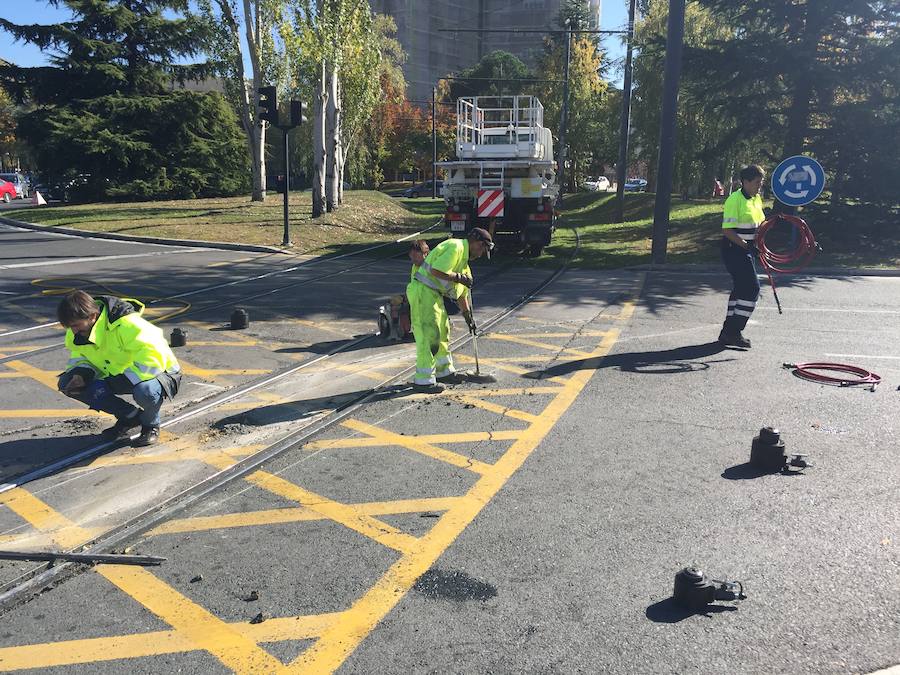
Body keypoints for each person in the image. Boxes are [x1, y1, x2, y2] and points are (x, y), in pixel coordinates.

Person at [56, 291, 182, 446]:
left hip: (160, 372)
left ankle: (151, 425)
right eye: (69, 326)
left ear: (92, 316)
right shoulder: (76, 332)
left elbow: (152, 360)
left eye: (75, 325)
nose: (73, 331)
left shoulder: (128, 324)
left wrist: (112, 384)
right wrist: (80, 375)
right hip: (119, 373)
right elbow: (80, 357)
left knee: (146, 392)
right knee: (66, 383)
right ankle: (130, 417)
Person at [406, 228, 494, 392]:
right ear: (477, 243)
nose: (481, 254)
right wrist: (459, 277)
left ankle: (444, 371)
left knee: (442, 331)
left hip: (433, 295)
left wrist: (469, 318)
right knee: (428, 335)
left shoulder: (464, 264)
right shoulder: (456, 247)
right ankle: (423, 381)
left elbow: (462, 296)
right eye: (482, 249)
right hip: (422, 292)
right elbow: (436, 271)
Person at [718, 164, 766, 348]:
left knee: (740, 289)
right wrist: (747, 246)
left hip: (747, 250)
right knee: (752, 289)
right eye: (756, 182)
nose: (759, 186)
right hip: (734, 249)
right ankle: (734, 331)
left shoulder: (756, 199)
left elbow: (760, 224)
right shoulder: (734, 200)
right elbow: (727, 231)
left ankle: (727, 332)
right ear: (745, 182)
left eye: (761, 183)